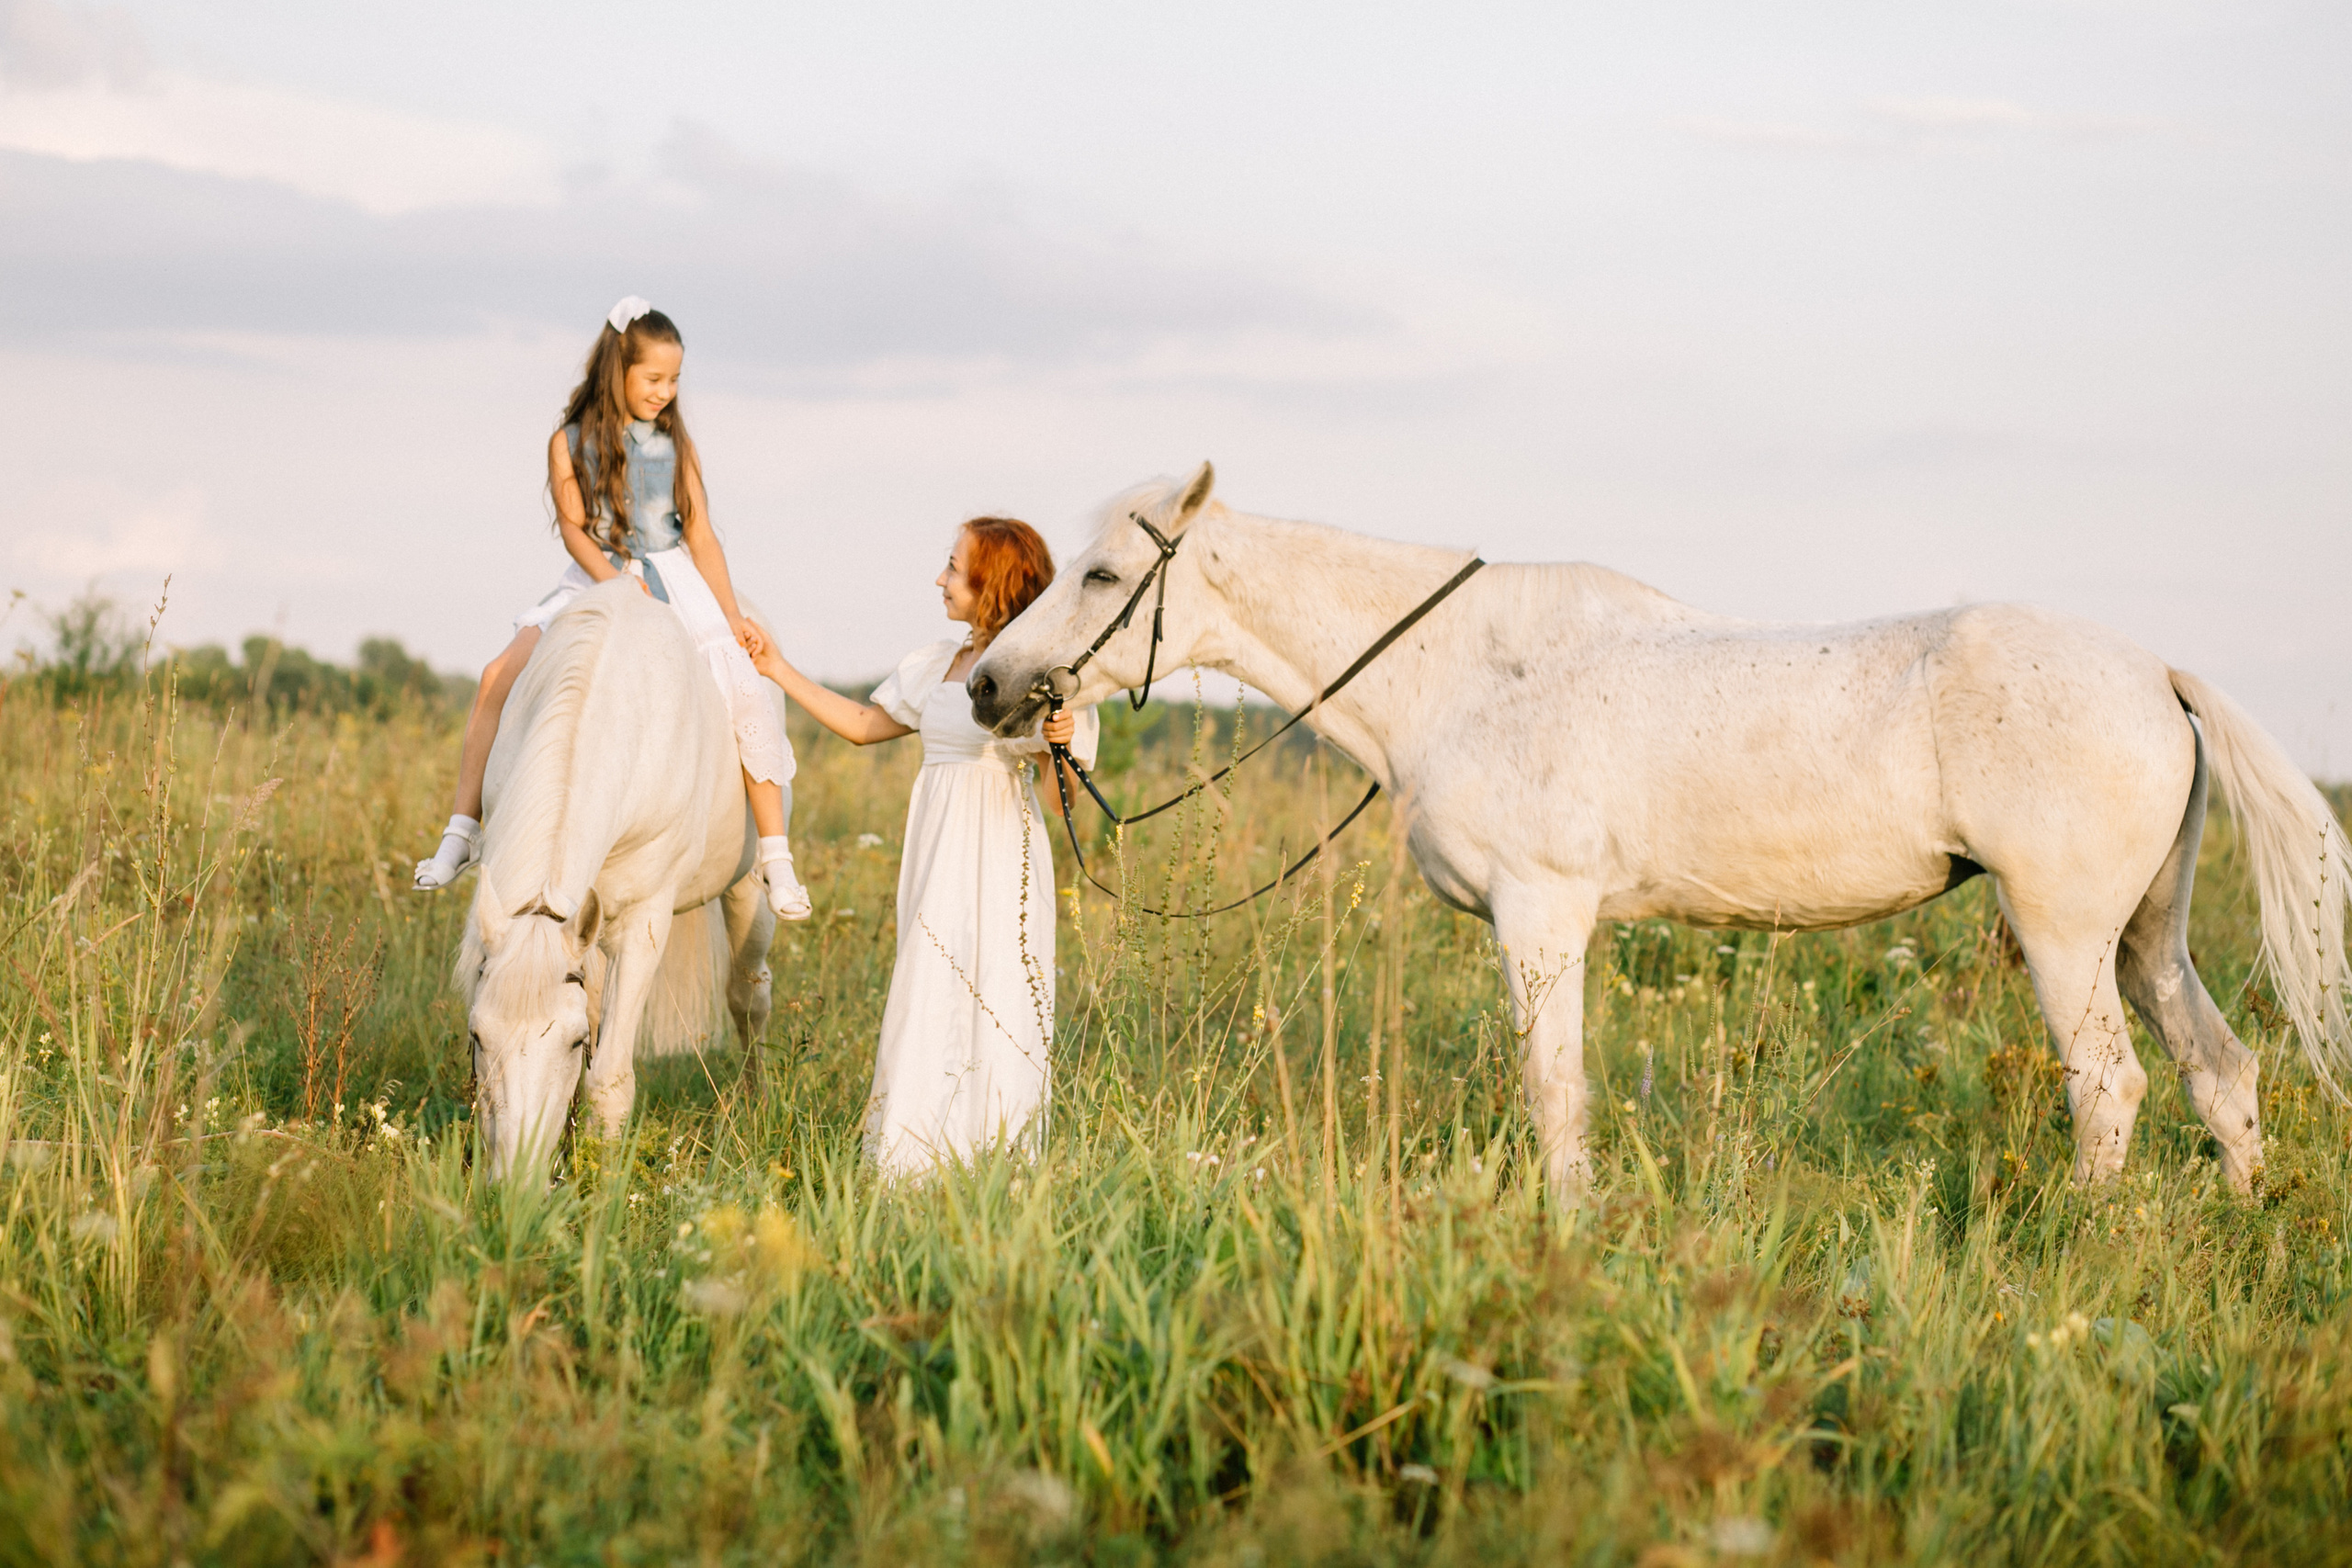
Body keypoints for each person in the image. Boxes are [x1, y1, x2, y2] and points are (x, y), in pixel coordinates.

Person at [413, 297, 809, 919]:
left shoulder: (677, 443)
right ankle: (462, 830)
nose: (666, 392)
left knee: (743, 690)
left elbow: (701, 534)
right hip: (596, 576)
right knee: (497, 675)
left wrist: (728, 613)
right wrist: (616, 584)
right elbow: (575, 530)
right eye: (654, 378)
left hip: (673, 573)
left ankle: (776, 857)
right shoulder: (566, 442)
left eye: (675, 380)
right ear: (617, 369)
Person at [750, 516, 1097, 1174]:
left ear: (989, 581)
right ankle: (910, 1160)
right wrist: (775, 668)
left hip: (1000, 853)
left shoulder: (1042, 670)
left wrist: (1060, 746)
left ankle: (997, 1162)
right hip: (936, 853)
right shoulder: (940, 661)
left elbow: (1058, 802)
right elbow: (860, 725)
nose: (940, 578)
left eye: (954, 568)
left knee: (998, 990)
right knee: (928, 984)